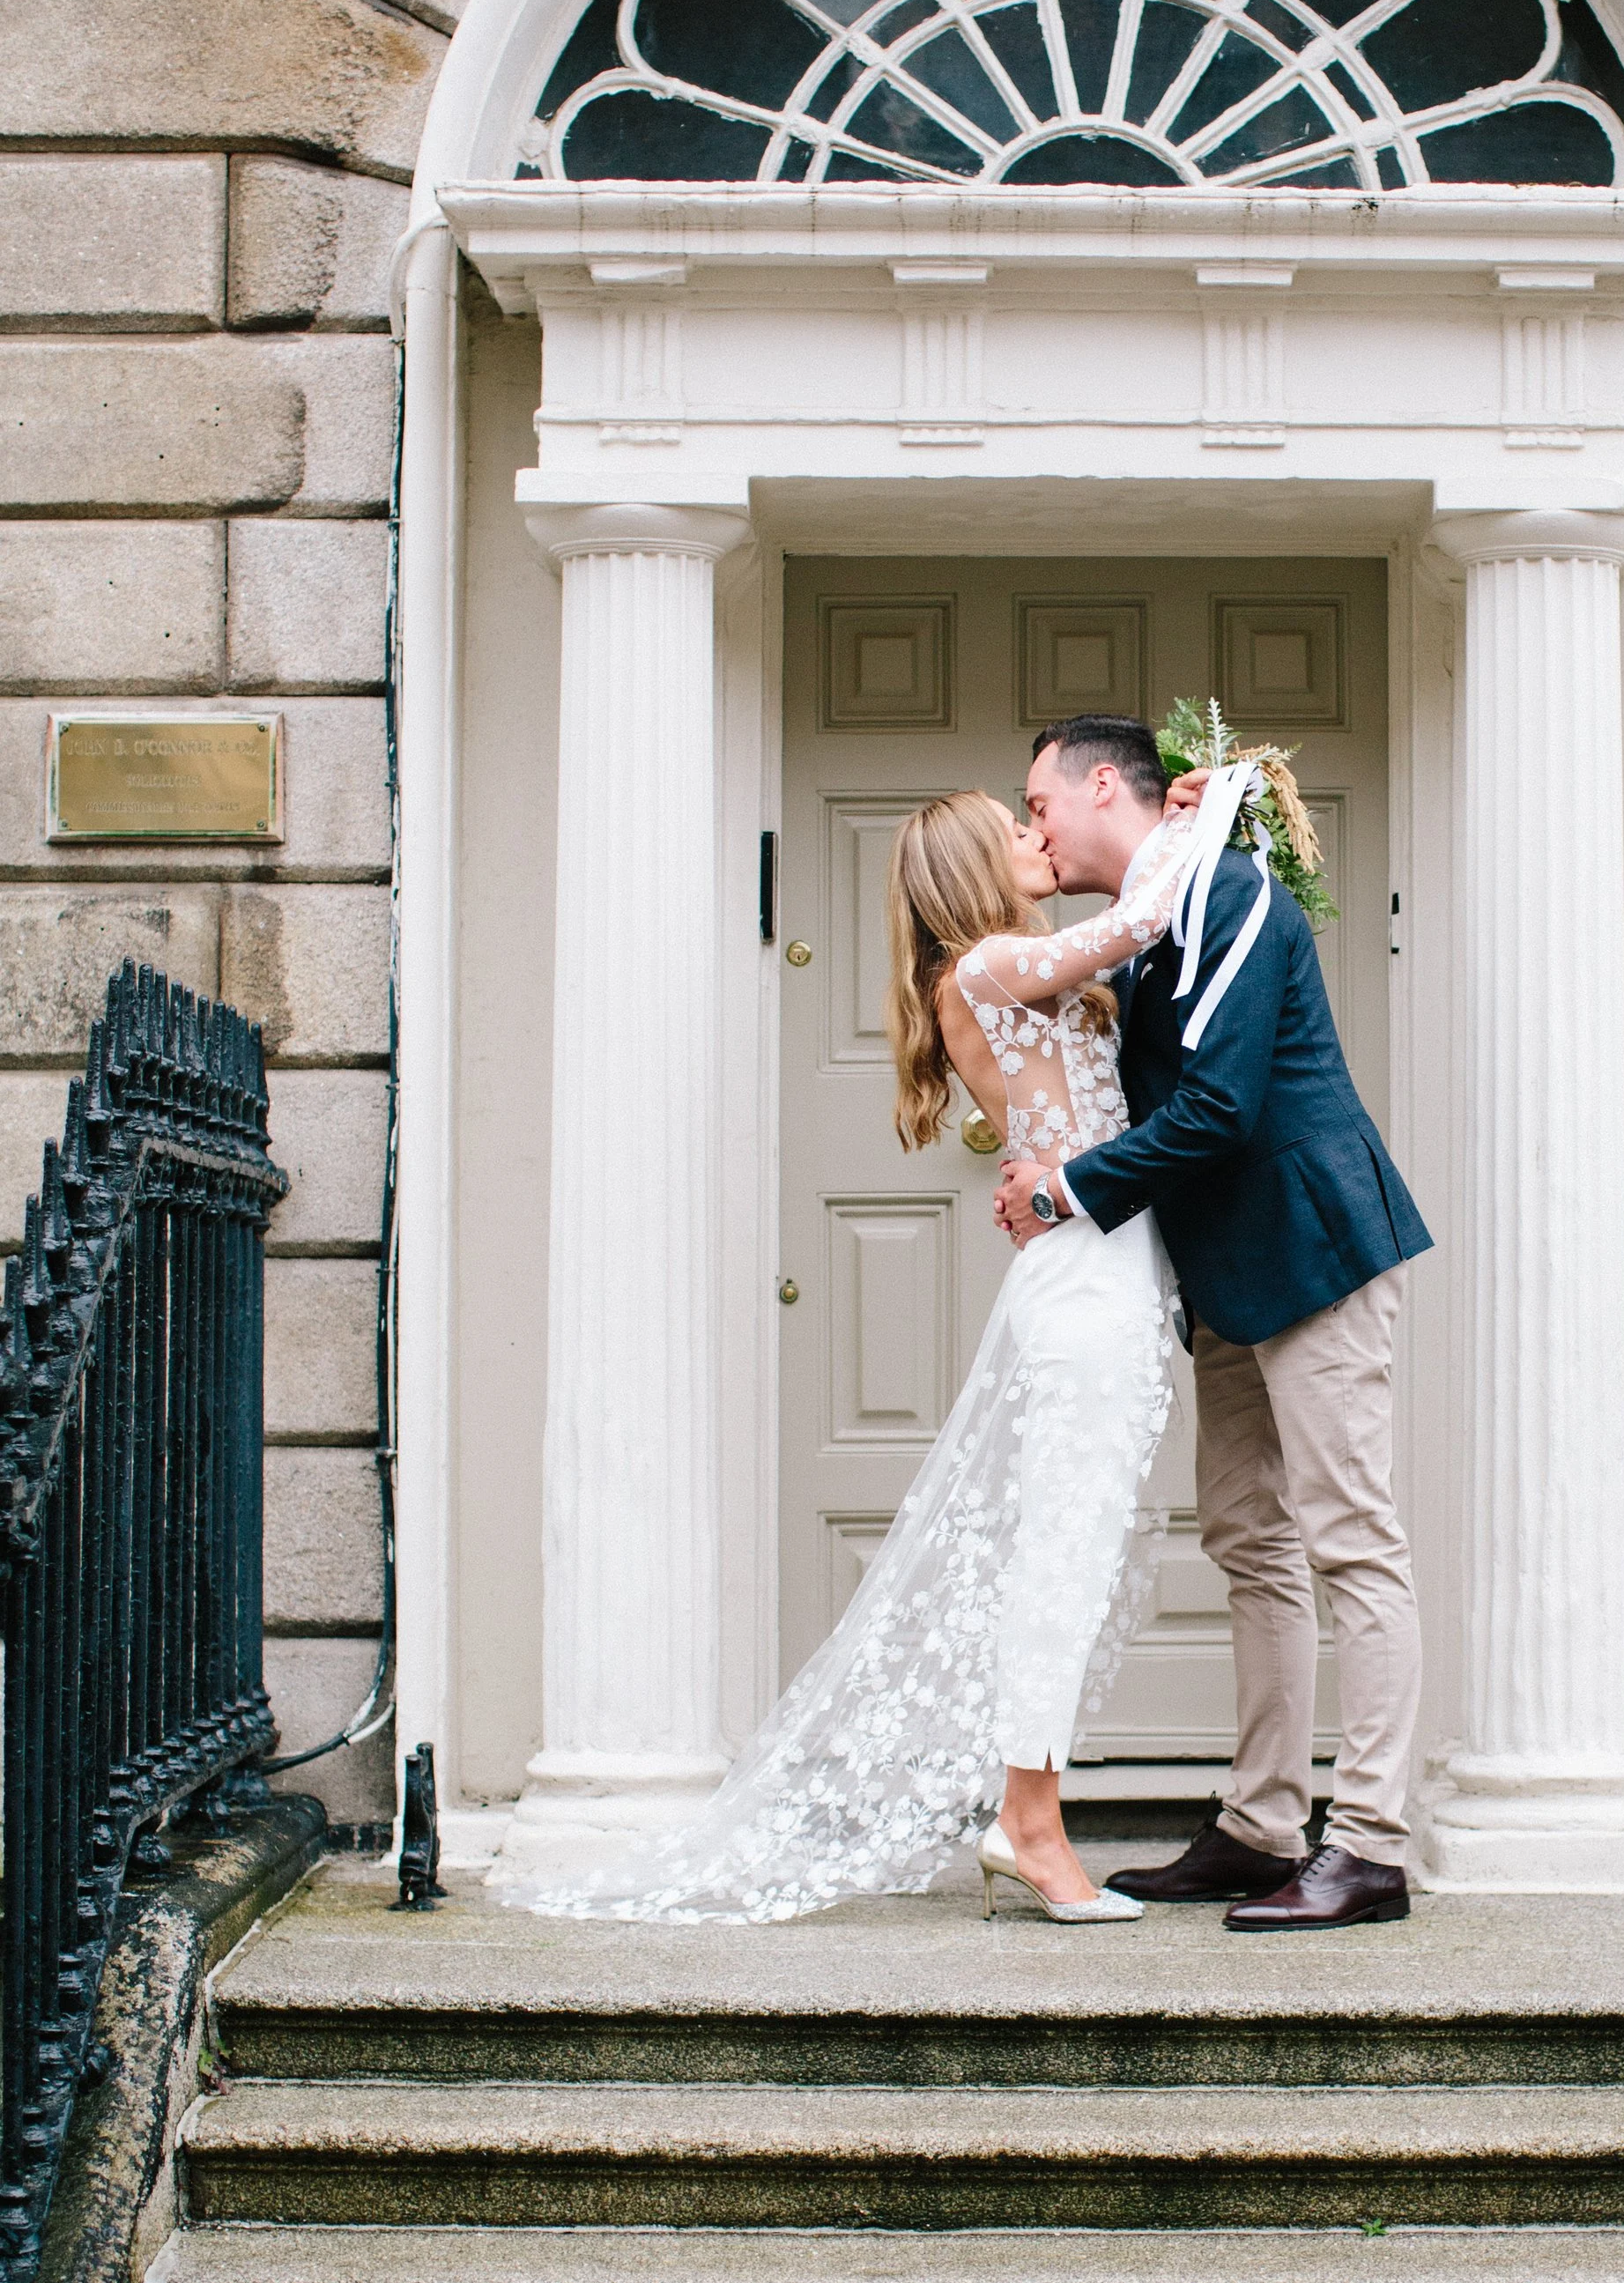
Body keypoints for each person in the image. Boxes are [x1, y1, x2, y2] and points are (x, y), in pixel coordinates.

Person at [492, 769, 1207, 1928]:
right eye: (1014, 830)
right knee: (1058, 1561)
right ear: (973, 869)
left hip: (1105, 1270)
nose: (1039, 836)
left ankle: (1027, 1812)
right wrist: (1200, 824)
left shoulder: (1015, 969)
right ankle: (1031, 1822)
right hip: (1083, 1289)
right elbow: (1138, 923)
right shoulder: (978, 967)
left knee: (1069, 1556)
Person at [1002, 712, 1432, 1931]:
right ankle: (1262, 1823)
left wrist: (1064, 1191)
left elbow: (1224, 1106)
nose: (1033, 824)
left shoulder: (1233, 894)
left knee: (1353, 1539)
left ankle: (1374, 1847)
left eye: (1039, 801)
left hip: (1315, 1244)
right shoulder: (1154, 917)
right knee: (1250, 1538)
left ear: (1102, 784)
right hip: (1227, 1275)